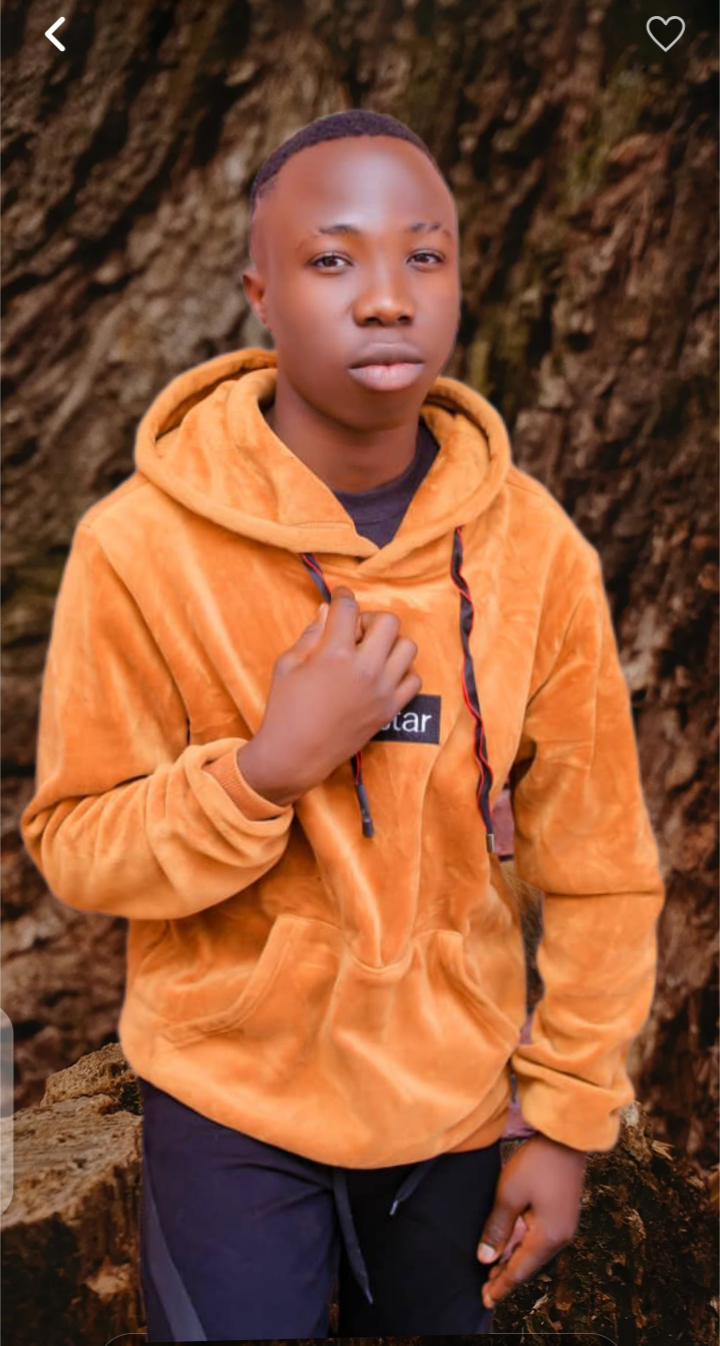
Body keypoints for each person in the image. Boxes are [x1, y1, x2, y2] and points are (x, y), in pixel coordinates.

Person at [20, 109, 666, 1339]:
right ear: (257, 291)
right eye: (333, 258)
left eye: (425, 256)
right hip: (229, 1097)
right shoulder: (139, 546)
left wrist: (567, 1118)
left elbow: (602, 869)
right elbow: (78, 842)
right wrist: (266, 771)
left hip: (452, 1100)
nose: (386, 297)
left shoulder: (533, 551)